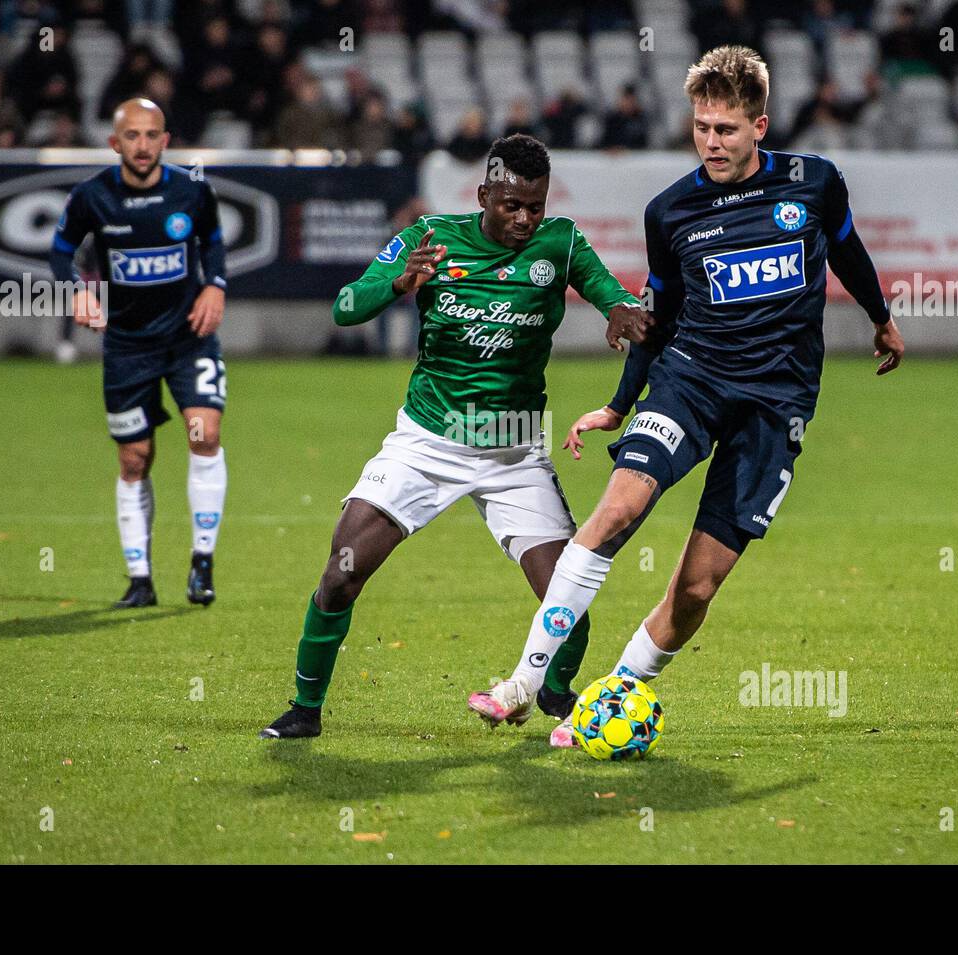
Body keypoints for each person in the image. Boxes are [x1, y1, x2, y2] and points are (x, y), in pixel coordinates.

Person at [468, 46, 905, 745]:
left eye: (726, 129)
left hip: (776, 403)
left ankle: (604, 704)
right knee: (618, 509)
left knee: (698, 586)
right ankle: (524, 680)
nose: (710, 141)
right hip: (690, 381)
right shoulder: (670, 211)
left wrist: (881, 318)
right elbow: (657, 313)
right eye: (701, 126)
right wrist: (619, 402)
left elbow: (848, 250)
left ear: (759, 126)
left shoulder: (814, 184)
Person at [259, 134, 651, 741]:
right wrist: (396, 285)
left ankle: (553, 699)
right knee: (340, 573)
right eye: (512, 205)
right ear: (484, 195)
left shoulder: (562, 240)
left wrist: (621, 309)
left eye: (535, 207)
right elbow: (344, 306)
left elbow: (607, 289)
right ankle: (304, 710)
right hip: (427, 443)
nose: (525, 219)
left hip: (515, 450)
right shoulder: (431, 238)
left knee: (567, 604)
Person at [48, 98, 229, 609]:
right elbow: (61, 252)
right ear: (114, 142)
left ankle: (202, 562)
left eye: (153, 135)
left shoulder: (191, 192)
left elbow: (213, 244)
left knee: (205, 433)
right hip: (128, 345)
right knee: (134, 458)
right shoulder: (93, 198)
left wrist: (214, 285)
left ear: (165, 141)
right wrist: (77, 289)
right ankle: (139, 578)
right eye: (133, 136)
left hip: (188, 337)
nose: (143, 145)